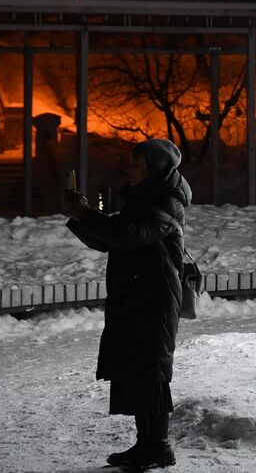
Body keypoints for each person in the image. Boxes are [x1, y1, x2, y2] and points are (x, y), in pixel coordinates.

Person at [65, 138, 192, 470]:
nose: (128, 169)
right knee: (136, 369)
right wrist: (81, 219)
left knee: (151, 371)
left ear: (154, 168)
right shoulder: (144, 198)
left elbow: (129, 235)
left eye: (135, 165)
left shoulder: (166, 203)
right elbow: (113, 238)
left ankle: (159, 447)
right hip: (137, 296)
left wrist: (87, 215)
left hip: (155, 298)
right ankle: (144, 444)